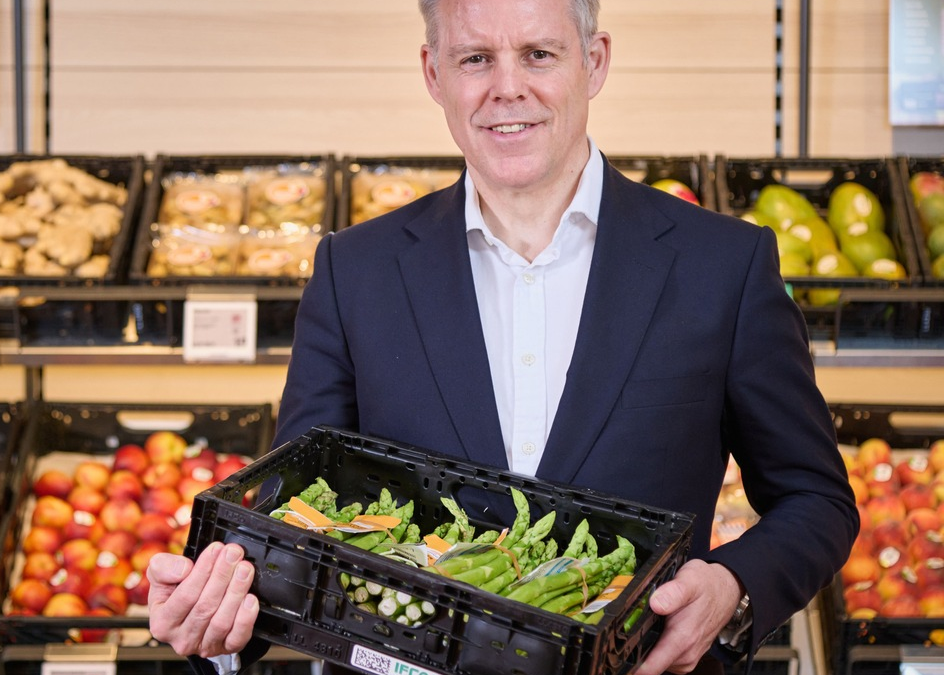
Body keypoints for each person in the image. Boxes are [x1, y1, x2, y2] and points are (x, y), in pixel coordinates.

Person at [146, 0, 860, 673]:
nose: (507, 88)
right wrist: (219, 623)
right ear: (433, 73)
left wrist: (731, 588)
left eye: (539, 54)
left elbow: (815, 498)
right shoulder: (355, 270)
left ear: (595, 60)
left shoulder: (721, 266)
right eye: (475, 59)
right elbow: (294, 524)